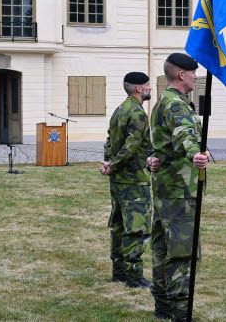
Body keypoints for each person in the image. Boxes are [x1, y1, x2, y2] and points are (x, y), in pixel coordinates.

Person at [148, 53, 209, 321]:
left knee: (161, 248)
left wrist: (154, 157)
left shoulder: (164, 101)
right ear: (181, 74)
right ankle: (180, 313)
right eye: (193, 72)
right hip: (180, 191)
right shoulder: (176, 105)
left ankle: (162, 307)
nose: (196, 76)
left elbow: (161, 141)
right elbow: (184, 134)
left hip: (165, 188)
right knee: (181, 253)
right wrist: (195, 153)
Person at [100, 72, 154, 289]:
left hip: (118, 179)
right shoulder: (138, 113)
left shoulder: (119, 110)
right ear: (139, 89)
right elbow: (130, 147)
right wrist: (112, 165)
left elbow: (109, 140)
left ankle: (119, 272)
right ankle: (133, 276)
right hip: (134, 180)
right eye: (148, 85)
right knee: (136, 228)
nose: (151, 88)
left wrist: (108, 163)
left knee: (118, 225)